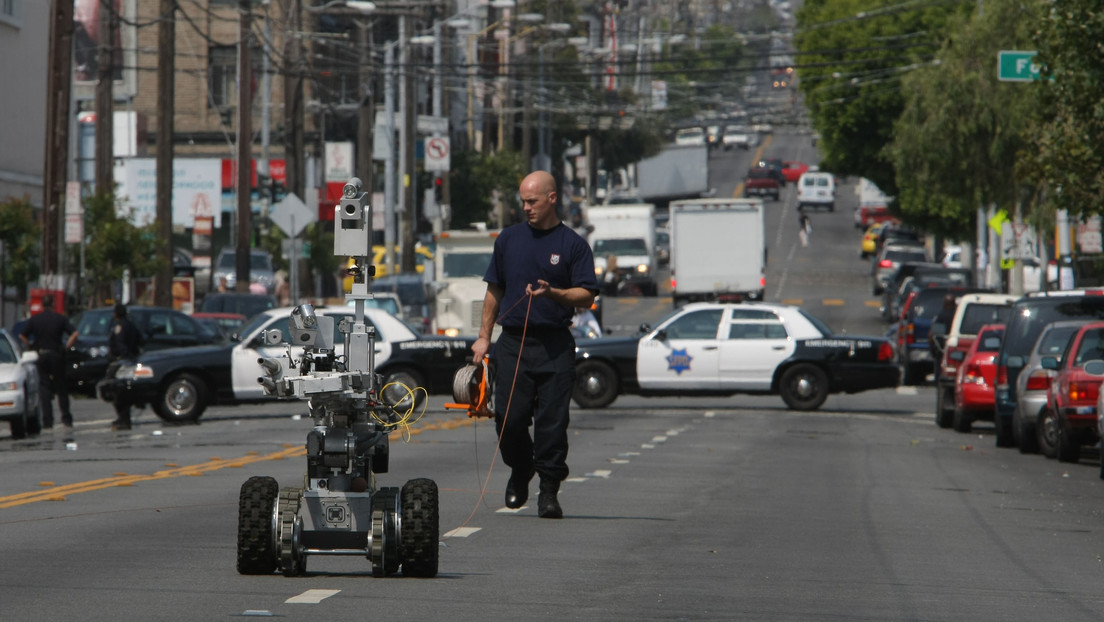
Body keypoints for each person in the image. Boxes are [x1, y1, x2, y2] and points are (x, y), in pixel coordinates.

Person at [471, 170, 599, 519]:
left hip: (555, 344)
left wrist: (554, 292)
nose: (526, 207)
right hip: (513, 343)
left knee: (552, 424)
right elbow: (494, 290)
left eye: (533, 201)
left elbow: (586, 295)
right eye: (523, 201)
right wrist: (484, 337)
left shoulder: (572, 244)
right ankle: (520, 468)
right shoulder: (508, 240)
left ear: (552, 198)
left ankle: (548, 490)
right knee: (509, 421)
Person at [20, 294, 79, 429]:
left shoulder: (35, 320)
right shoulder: (60, 319)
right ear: (52, 304)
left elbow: (22, 335)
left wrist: (30, 347)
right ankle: (66, 418)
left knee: (44, 389)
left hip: (41, 355)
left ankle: (47, 420)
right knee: (61, 388)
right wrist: (66, 347)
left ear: (42, 305)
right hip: (56, 354)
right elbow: (75, 334)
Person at [106, 303, 142, 431]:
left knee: (117, 392)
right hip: (131, 360)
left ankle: (123, 418)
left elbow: (120, 344)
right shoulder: (131, 325)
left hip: (121, 362)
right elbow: (140, 340)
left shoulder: (119, 326)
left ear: (116, 314)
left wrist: (122, 358)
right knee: (124, 392)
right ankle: (124, 417)